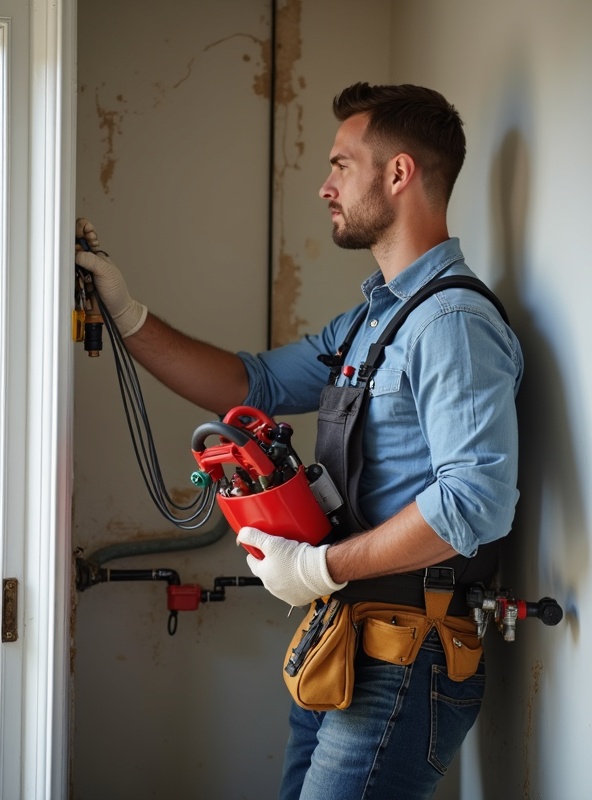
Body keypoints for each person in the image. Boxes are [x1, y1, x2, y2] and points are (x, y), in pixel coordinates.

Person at [76, 82, 523, 800]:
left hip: (408, 655)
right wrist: (127, 313)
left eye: (342, 165)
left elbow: (473, 504)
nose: (325, 186)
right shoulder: (371, 322)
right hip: (347, 639)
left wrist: (321, 569)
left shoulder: (451, 324)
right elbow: (249, 384)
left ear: (399, 174)